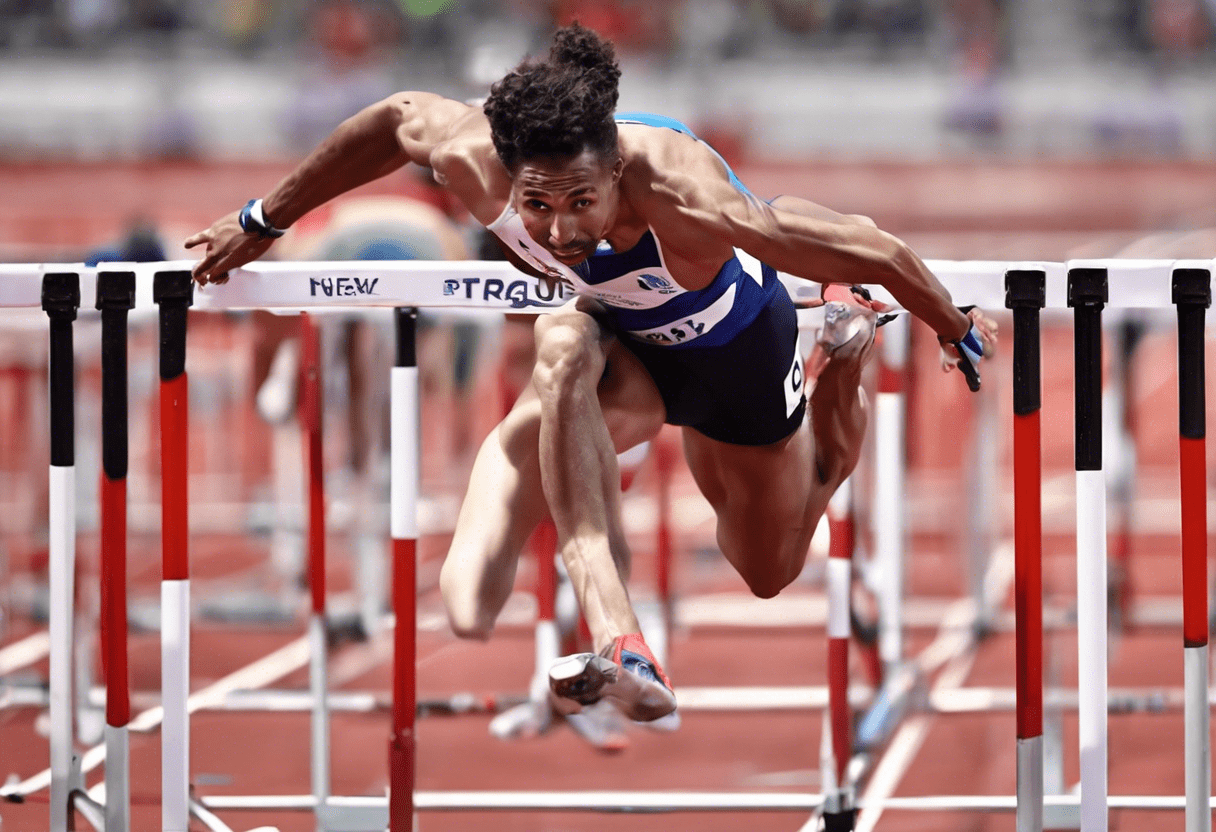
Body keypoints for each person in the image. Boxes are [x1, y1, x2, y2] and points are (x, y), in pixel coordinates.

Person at [187, 23, 997, 723]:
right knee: (561, 350)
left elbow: (882, 251)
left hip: (739, 353)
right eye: (538, 205)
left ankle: (844, 361)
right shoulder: (479, 163)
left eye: (582, 202)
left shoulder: (691, 199)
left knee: (770, 569)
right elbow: (394, 117)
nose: (561, 228)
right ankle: (622, 640)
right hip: (631, 354)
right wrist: (265, 220)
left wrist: (956, 329)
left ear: (617, 173)